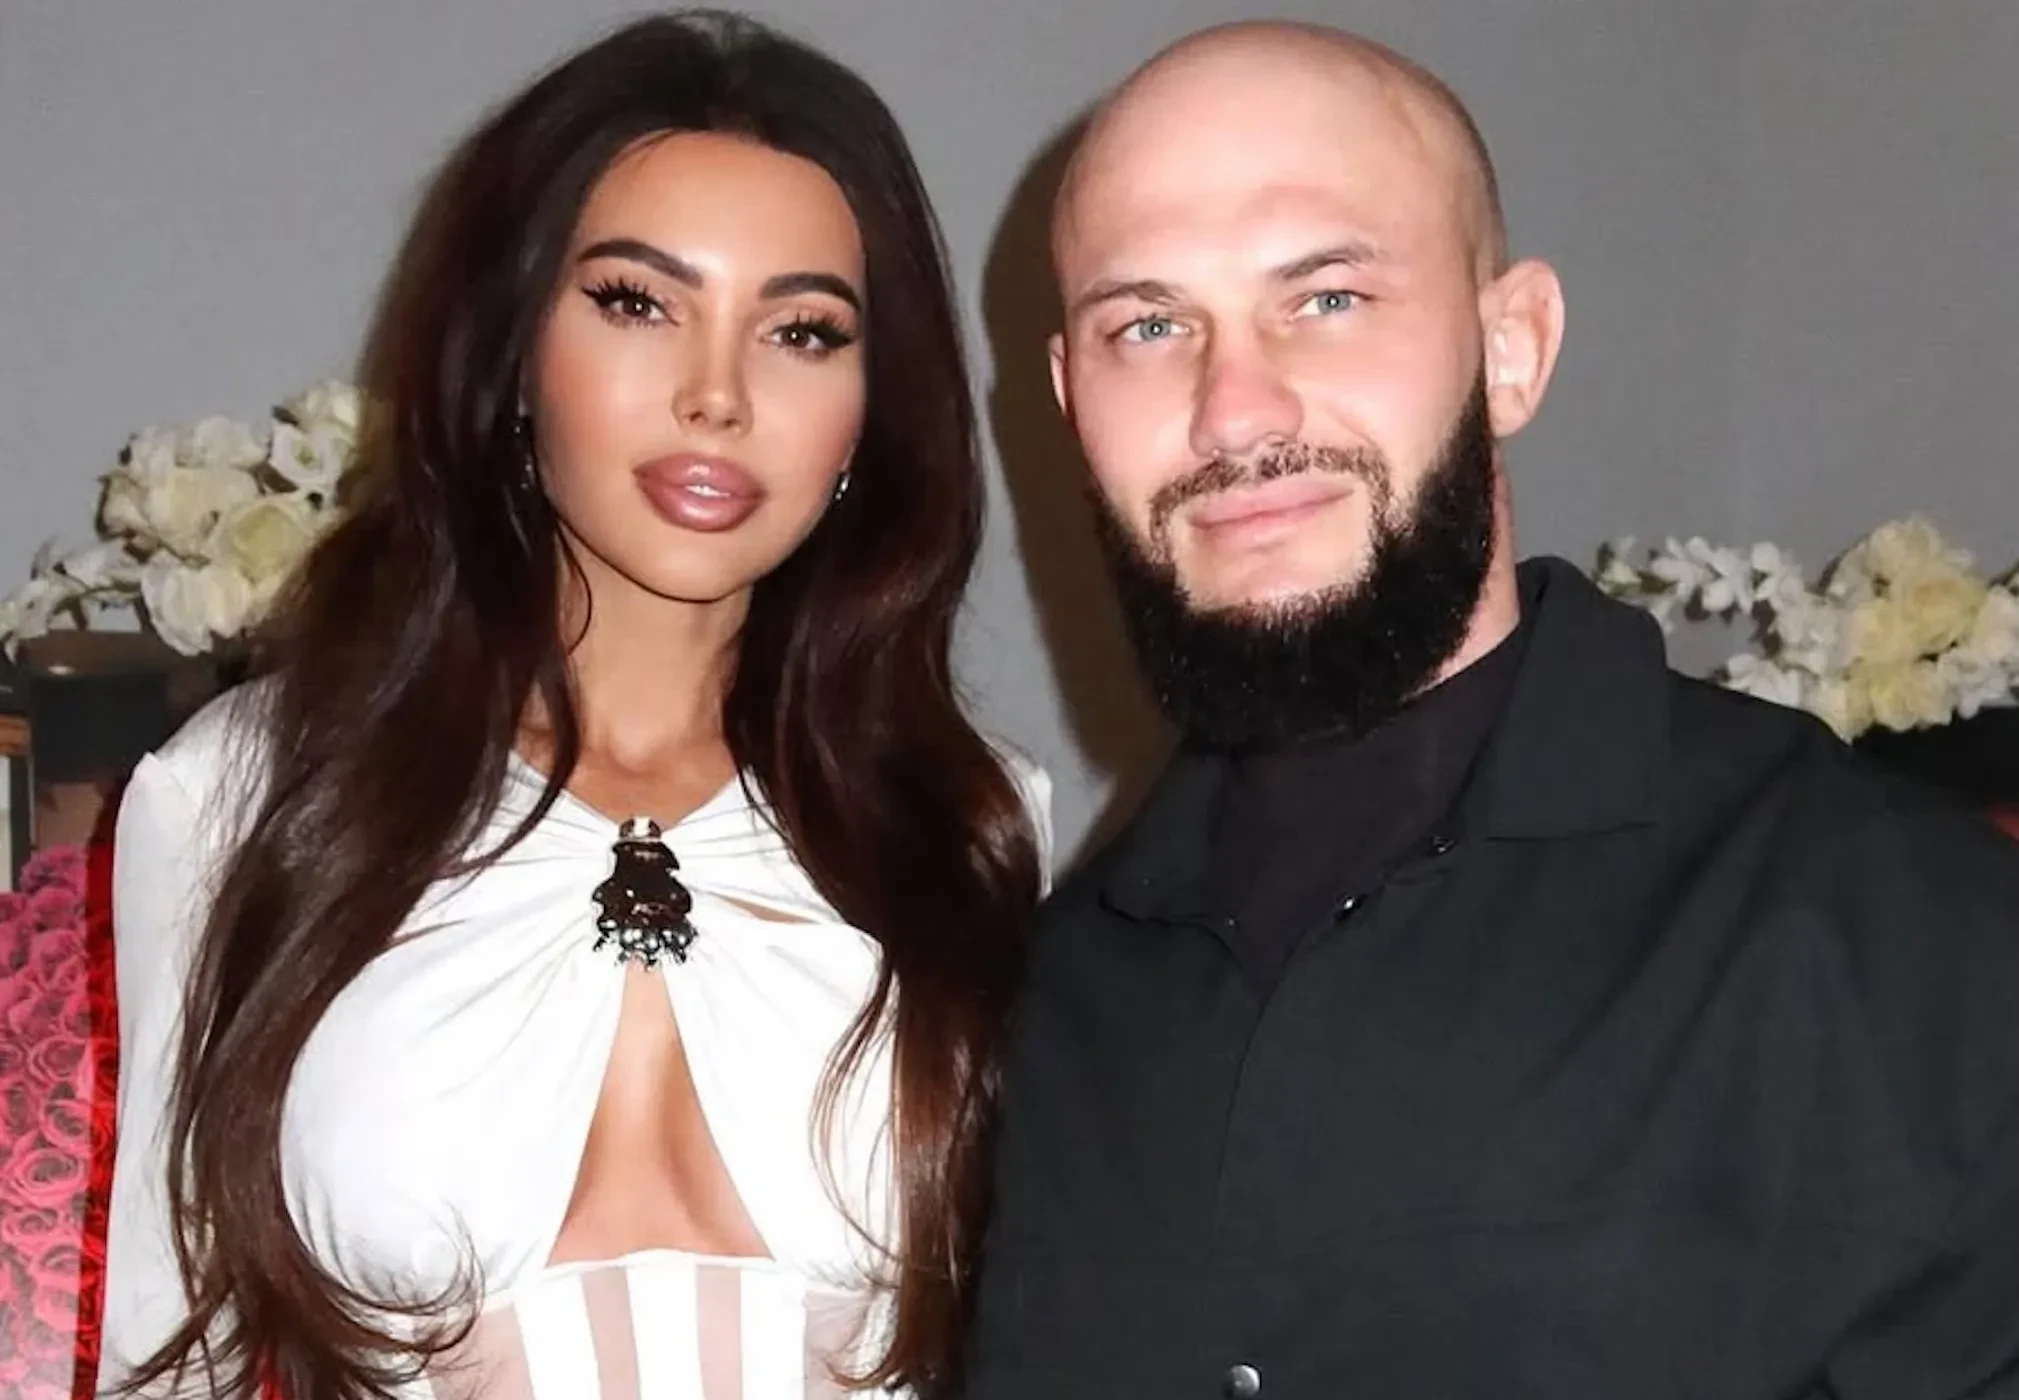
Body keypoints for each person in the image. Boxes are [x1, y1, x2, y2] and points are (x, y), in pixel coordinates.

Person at [966, 20, 2019, 1398]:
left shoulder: (1907, 938)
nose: (1232, 411)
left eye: (1326, 296)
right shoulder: (1028, 1009)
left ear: (1510, 348)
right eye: (1148, 326)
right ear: (1068, 400)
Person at [98, 12, 1050, 1399]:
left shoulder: (971, 815)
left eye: (801, 331)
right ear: (511, 352)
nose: (716, 396)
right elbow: (164, 1359)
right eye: (636, 303)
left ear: (870, 408)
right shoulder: (238, 796)